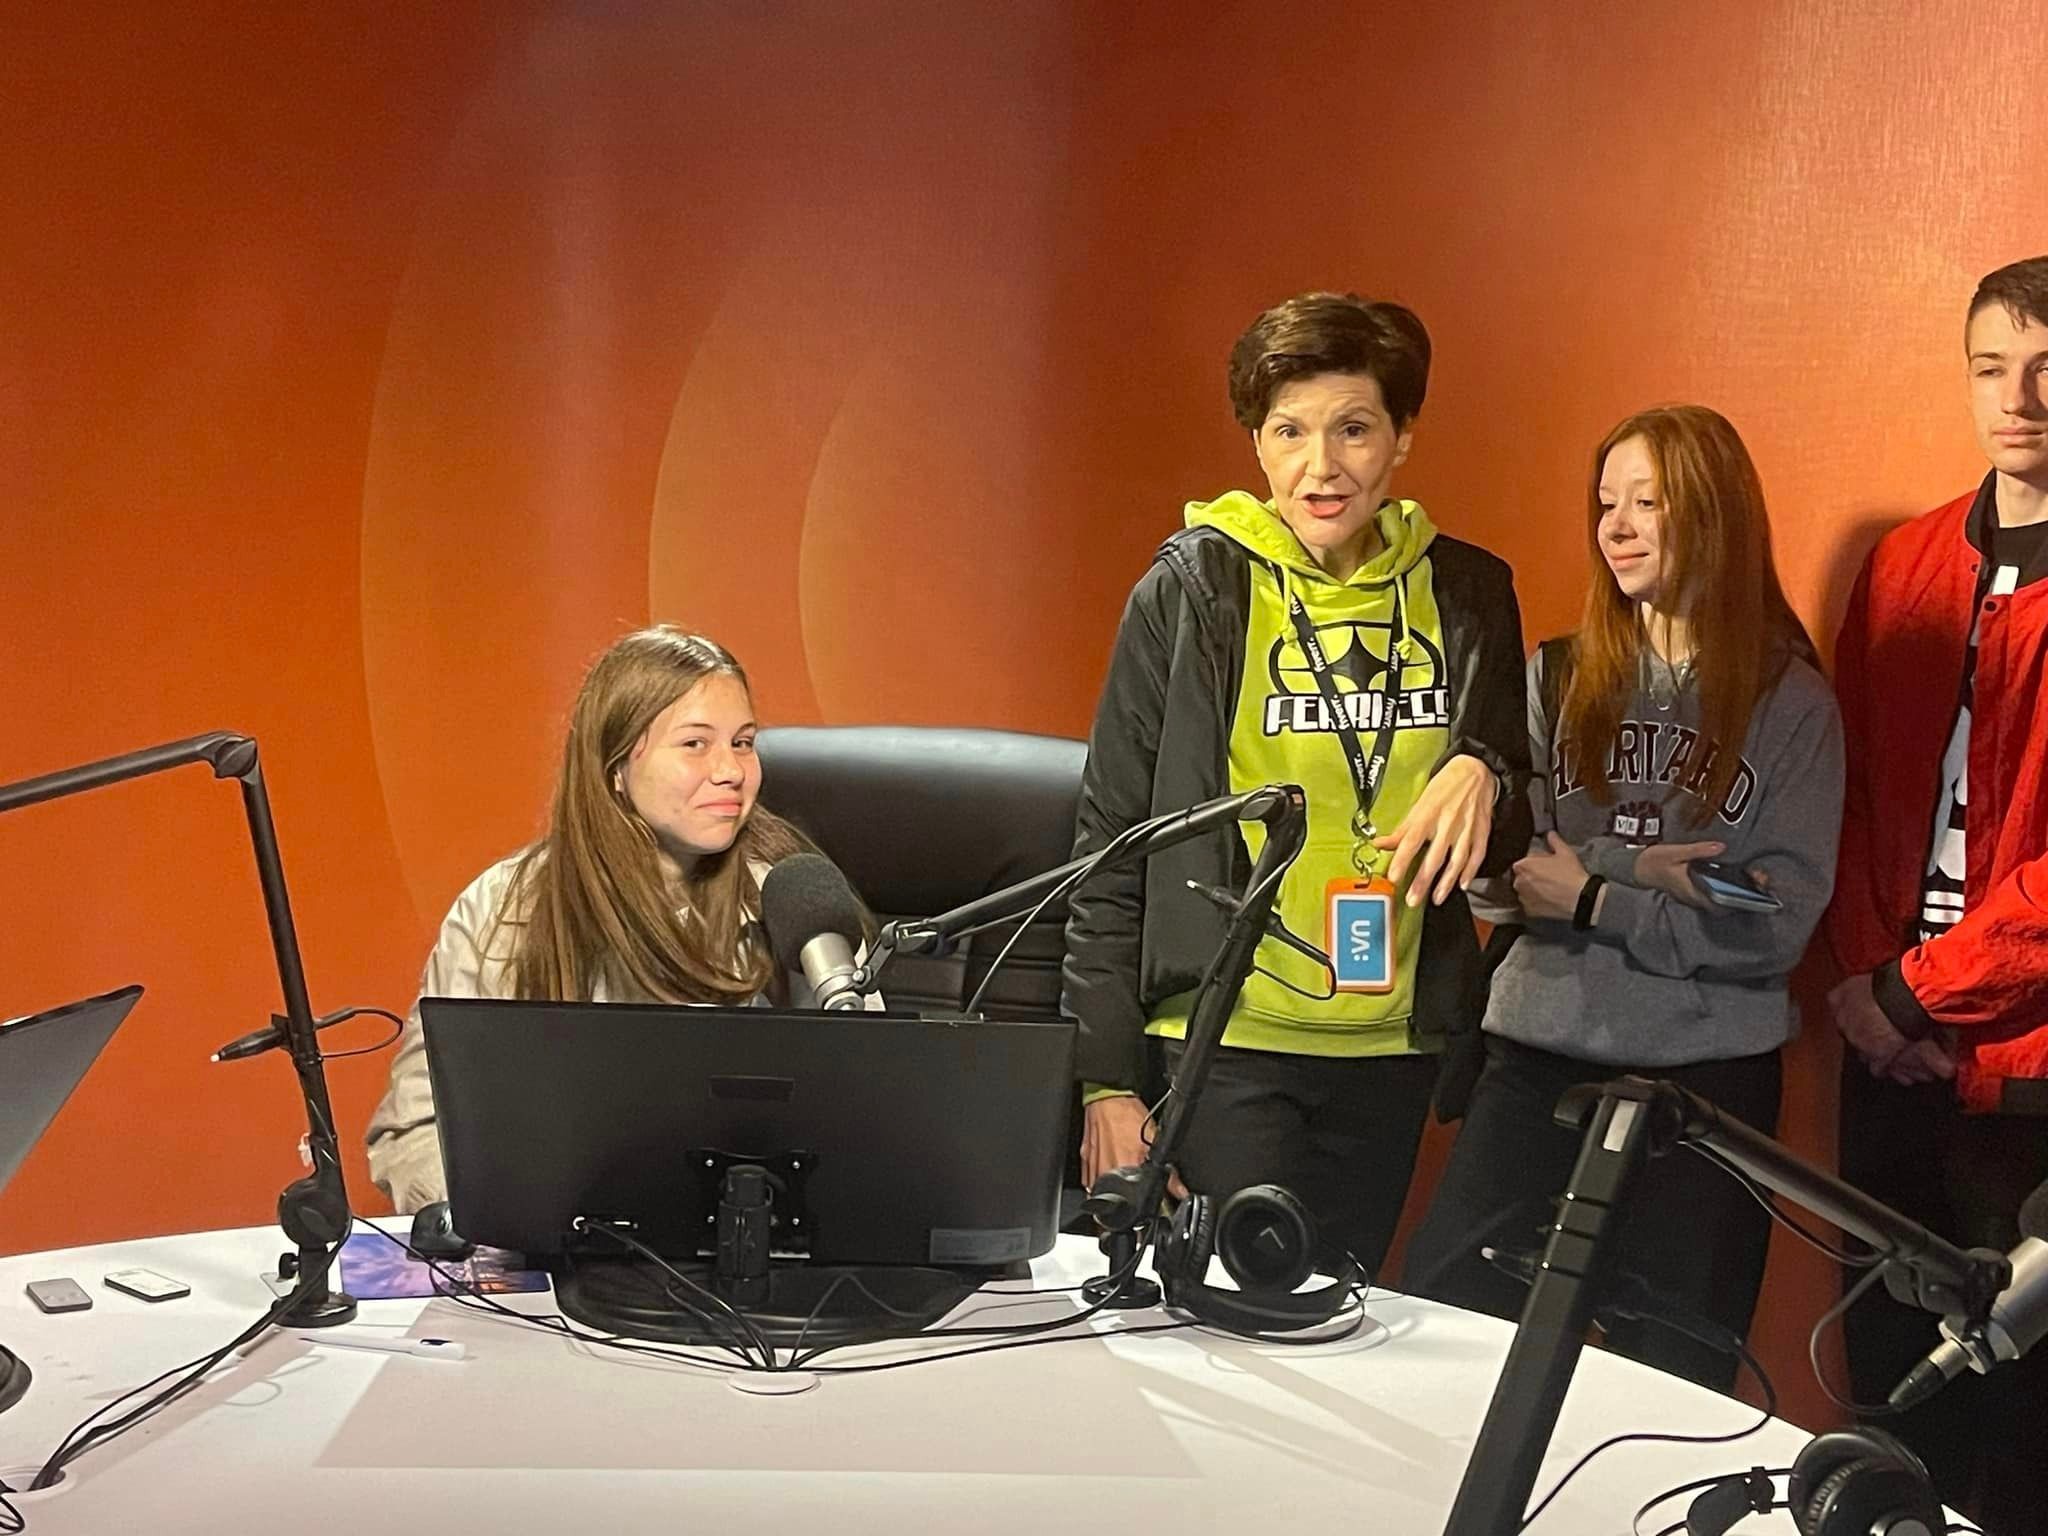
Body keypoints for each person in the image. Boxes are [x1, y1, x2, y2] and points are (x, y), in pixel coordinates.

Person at [1062, 290, 1532, 1276]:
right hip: (1221, 1043)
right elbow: (1111, 842)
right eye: (1290, 432)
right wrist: (1105, 1082)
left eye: (1353, 428)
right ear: (1257, 443)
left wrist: (1488, 772)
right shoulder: (1194, 589)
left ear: (1401, 436)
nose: (1321, 466)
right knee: (1238, 1319)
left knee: (1342, 1316)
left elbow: (1505, 834)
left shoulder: (1467, 592)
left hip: (1389, 1047)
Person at [1402, 404, 1844, 1392]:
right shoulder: (1556, 673)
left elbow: (1771, 918)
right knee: (1447, 1340)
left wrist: (1595, 895)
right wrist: (1641, 870)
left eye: (1649, 502)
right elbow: (1511, 876)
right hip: (1535, 1058)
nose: (1618, 526)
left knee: (1673, 1381)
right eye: (1607, 503)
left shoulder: (1791, 705)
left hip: (1704, 1087)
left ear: (1715, 516)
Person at [366, 626, 853, 1214]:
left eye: (743, 743)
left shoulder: (791, 899)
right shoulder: (504, 910)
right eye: (695, 744)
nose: (731, 770)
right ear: (615, 767)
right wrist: (506, 1212)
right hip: (556, 1239)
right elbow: (416, 1130)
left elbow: (870, 1112)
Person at [1825, 256, 2048, 1527]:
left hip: (2022, 1076)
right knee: (1889, 1394)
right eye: (1988, 368)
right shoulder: (1905, 560)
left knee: (2019, 1421)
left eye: (2045, 369)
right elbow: (1847, 789)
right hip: (1885, 1050)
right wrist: (1871, 991)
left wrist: (1915, 994)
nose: (2016, 398)